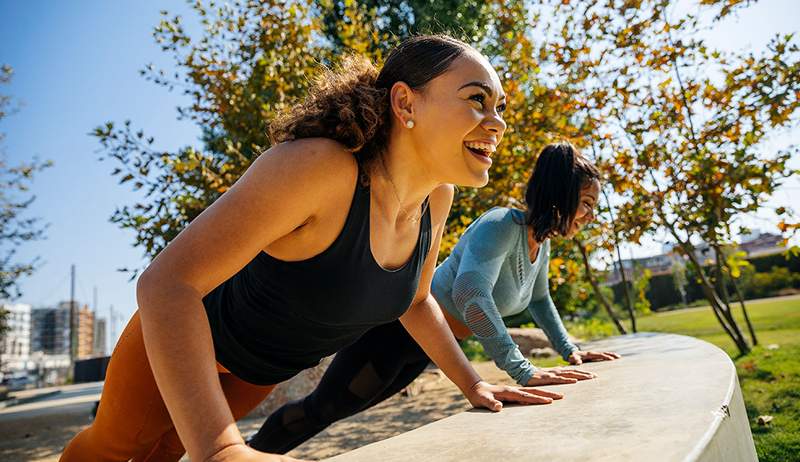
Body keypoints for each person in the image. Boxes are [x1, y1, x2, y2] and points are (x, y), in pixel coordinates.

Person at [60, 35, 563, 462]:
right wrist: (220, 449)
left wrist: (474, 385)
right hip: (184, 343)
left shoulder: (436, 197)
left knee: (165, 452)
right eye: (476, 99)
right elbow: (166, 283)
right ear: (406, 103)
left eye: (500, 107)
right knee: (115, 447)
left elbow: (415, 300)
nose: (496, 122)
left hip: (259, 369)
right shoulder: (320, 168)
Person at [247, 142, 621, 454]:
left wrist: (571, 349)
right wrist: (522, 370)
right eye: (586, 202)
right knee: (325, 407)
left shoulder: (540, 244)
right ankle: (243, 451)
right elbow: (471, 295)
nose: (590, 214)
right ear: (561, 193)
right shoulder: (502, 226)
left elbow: (540, 300)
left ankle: (251, 454)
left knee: (337, 409)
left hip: (431, 346)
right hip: (396, 333)